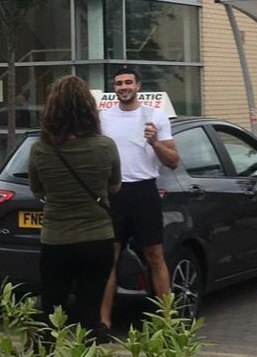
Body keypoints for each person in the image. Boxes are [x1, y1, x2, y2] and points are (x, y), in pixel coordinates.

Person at [28, 75, 121, 341]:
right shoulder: (106, 147)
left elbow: (38, 191)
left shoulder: (40, 150)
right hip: (97, 238)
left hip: (56, 240)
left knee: (51, 314)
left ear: (52, 108)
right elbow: (115, 187)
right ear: (88, 108)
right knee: (90, 315)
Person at [99, 67, 180, 329]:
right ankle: (104, 323)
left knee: (155, 256)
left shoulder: (154, 116)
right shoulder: (104, 118)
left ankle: (167, 323)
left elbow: (174, 162)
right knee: (109, 258)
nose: (123, 87)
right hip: (115, 193)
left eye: (128, 83)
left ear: (138, 86)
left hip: (145, 191)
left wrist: (155, 142)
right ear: (114, 88)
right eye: (119, 83)